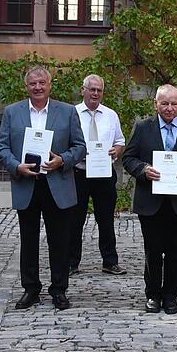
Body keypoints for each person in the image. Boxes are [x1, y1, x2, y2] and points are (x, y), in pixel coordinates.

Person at [0, 66, 86, 311]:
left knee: (60, 241)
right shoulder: (12, 112)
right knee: (28, 240)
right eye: (33, 83)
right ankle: (31, 289)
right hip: (27, 184)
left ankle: (59, 290)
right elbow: (2, 147)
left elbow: (80, 147)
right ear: (26, 86)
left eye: (42, 83)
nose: (38, 87)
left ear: (49, 85)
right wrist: (16, 167)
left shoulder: (67, 112)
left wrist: (62, 160)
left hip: (57, 183)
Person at [122, 84, 177, 315]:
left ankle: (170, 295)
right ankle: (153, 295)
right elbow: (128, 158)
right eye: (164, 103)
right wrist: (143, 169)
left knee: (175, 252)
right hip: (150, 200)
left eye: (174, 104)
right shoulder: (142, 127)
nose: (169, 108)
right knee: (153, 250)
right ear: (156, 104)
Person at [69, 74, 126, 276]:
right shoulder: (72, 113)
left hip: (103, 172)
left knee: (106, 219)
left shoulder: (111, 115)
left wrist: (117, 151)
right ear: (82, 90)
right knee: (74, 219)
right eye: (91, 89)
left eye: (99, 90)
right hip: (78, 172)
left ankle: (110, 262)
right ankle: (71, 262)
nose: (95, 93)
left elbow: (120, 141)